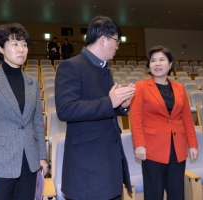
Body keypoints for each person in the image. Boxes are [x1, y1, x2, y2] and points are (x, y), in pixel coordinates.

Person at [55, 15, 135, 200]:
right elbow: (66, 109)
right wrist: (110, 102)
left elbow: (105, 109)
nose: (117, 46)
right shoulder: (71, 66)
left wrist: (121, 106)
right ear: (103, 40)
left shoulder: (105, 69)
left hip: (109, 165)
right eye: (116, 41)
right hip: (87, 170)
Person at [0, 23, 48, 200]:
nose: (21, 49)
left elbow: (37, 121)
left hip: (29, 163)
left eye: (24, 44)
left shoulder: (32, 82)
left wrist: (42, 157)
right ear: (0, 48)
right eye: (14, 44)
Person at [130, 46, 199, 200]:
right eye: (153, 60)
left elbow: (187, 118)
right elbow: (135, 118)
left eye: (162, 60)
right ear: (149, 65)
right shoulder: (141, 87)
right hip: (152, 149)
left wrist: (193, 144)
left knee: (177, 193)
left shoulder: (179, 88)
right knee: (154, 194)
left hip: (177, 149)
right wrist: (139, 144)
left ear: (170, 64)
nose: (157, 63)